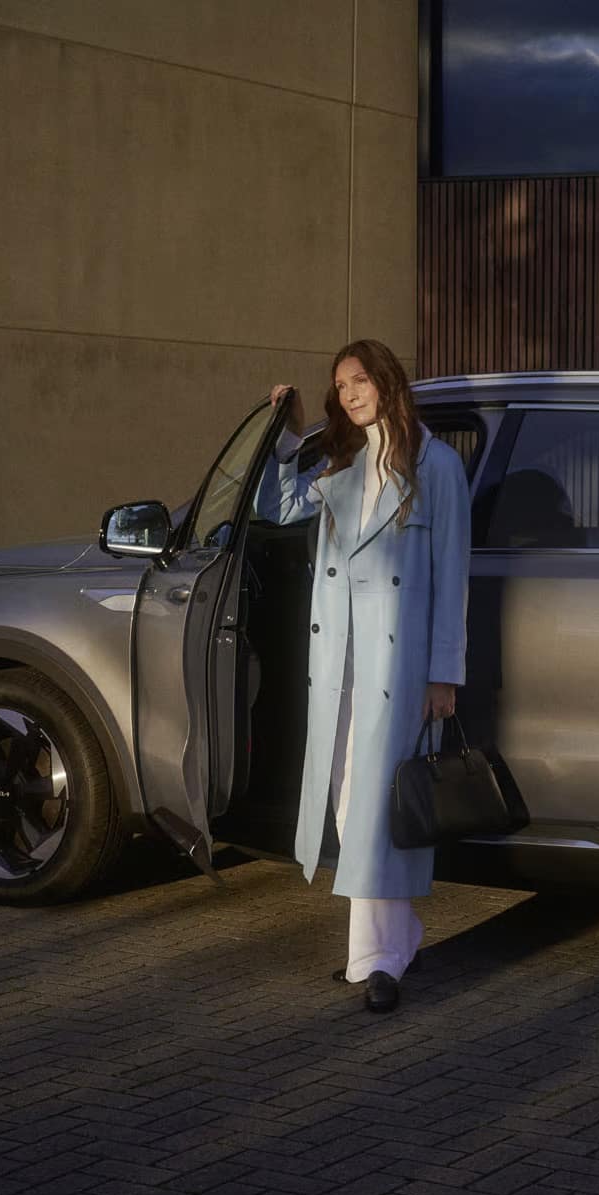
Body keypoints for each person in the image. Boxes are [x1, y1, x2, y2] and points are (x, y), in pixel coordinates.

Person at [256, 338, 471, 1013]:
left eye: (359, 381)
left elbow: (453, 577)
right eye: (340, 385)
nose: (349, 394)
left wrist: (444, 674)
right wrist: (283, 437)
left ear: (386, 381)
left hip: (399, 666)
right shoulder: (342, 465)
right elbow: (277, 508)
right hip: (341, 661)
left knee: (379, 805)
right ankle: (397, 936)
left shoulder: (438, 466)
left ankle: (377, 960)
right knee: (350, 802)